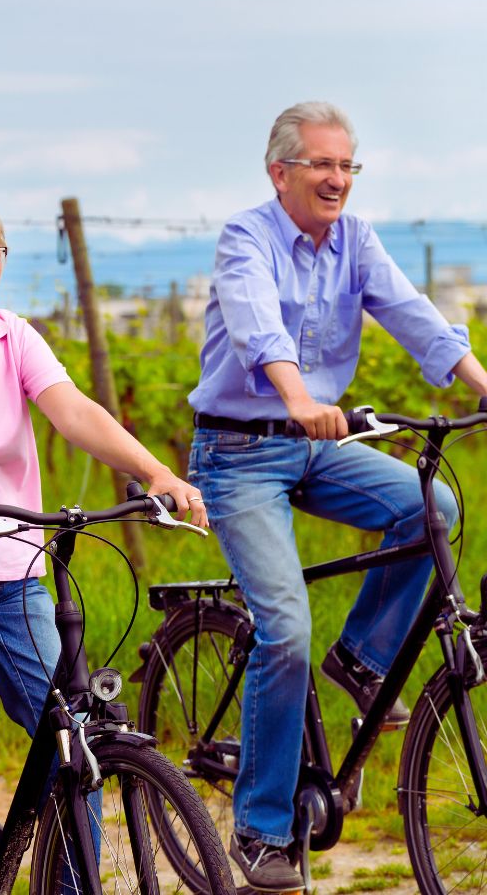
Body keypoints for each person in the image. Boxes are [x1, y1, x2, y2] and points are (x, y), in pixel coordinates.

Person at [0, 195, 207, 895]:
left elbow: (74, 410)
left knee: (74, 729)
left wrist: (157, 473)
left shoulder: (15, 336)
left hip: (12, 565)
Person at [188, 101, 487, 893]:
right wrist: (291, 393)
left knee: (432, 511)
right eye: (322, 164)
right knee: (283, 626)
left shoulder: (355, 239)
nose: (336, 179)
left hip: (319, 444)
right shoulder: (245, 237)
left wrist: (482, 383)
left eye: (347, 165)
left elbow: (411, 312)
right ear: (279, 171)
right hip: (239, 450)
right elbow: (257, 328)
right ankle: (260, 828)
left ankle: (362, 662)